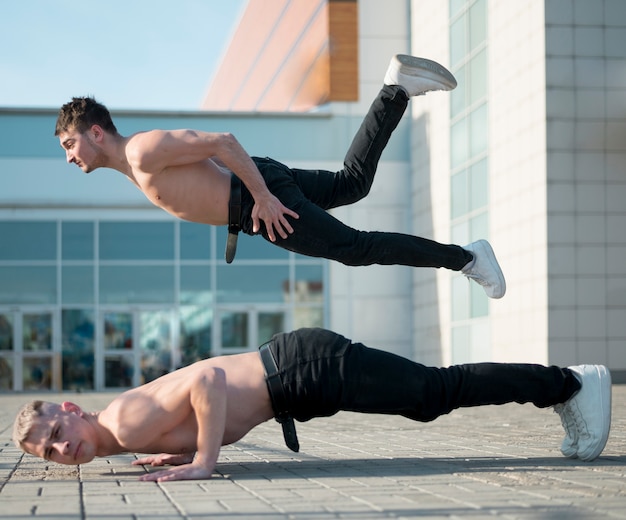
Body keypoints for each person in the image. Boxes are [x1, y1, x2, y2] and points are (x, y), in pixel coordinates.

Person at [54, 54, 506, 298]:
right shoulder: (134, 165)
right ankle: (396, 89)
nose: (69, 158)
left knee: (355, 248)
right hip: (258, 191)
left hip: (259, 201)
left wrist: (263, 199)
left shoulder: (143, 150)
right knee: (351, 184)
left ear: (96, 132)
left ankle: (466, 258)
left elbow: (224, 143)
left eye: (70, 145)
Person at [13, 328, 611, 482]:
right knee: (430, 397)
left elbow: (209, 383)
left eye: (55, 432)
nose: (62, 448)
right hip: (296, 375)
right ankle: (564, 385)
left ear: (70, 408)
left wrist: (204, 461)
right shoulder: (122, 434)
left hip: (302, 369)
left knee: (433, 393)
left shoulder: (122, 421)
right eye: (50, 452)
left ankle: (569, 384)